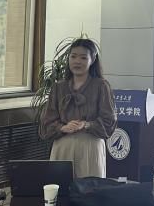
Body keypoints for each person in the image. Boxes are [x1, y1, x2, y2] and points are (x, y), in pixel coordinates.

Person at [39, 38, 117, 178]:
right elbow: (46, 123)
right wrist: (62, 128)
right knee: (61, 187)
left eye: (83, 57)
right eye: (73, 56)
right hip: (63, 146)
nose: (77, 61)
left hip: (90, 147)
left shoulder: (101, 86)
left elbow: (109, 121)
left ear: (92, 59)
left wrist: (86, 124)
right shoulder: (59, 87)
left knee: (90, 188)